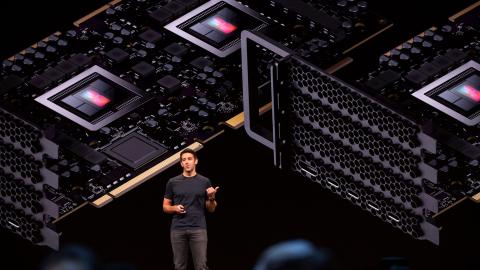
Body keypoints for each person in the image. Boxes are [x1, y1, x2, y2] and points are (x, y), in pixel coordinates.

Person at [163, 148, 219, 270]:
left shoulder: (204, 181)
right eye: (184, 160)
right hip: (178, 229)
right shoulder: (172, 182)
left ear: (196, 161)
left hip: (198, 228)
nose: (187, 162)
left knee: (201, 266)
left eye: (189, 159)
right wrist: (174, 208)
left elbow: (211, 209)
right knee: (179, 266)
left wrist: (212, 198)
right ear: (181, 163)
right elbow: (165, 206)